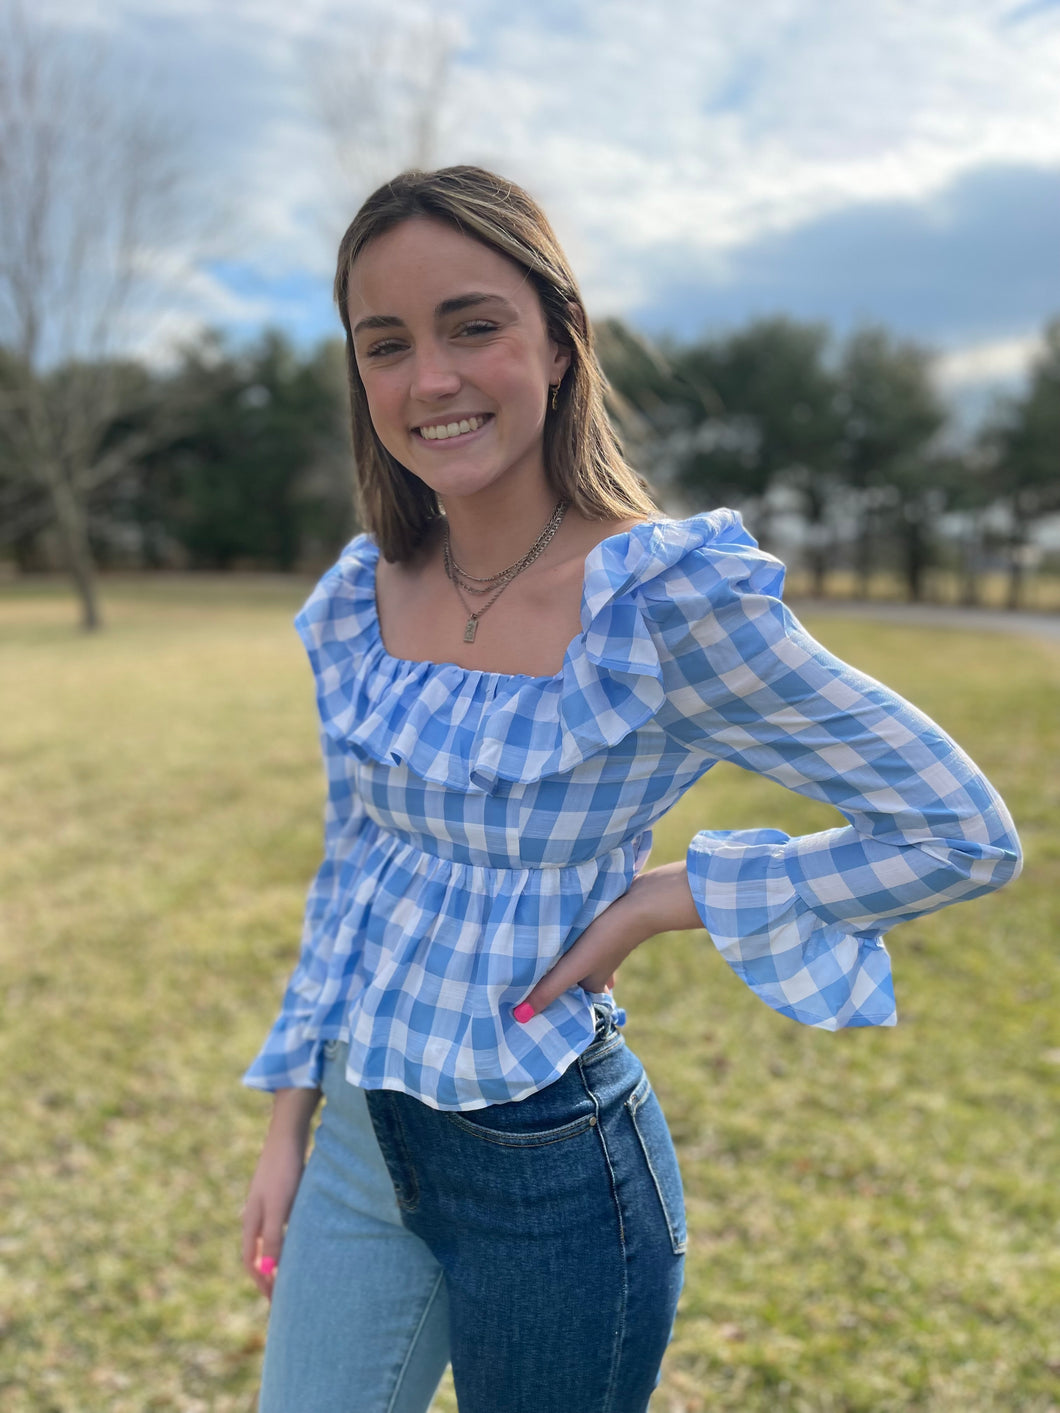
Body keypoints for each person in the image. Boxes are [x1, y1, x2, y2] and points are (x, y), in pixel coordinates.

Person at [240, 166, 1022, 1413]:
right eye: (384, 344)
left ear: (558, 342)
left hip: (551, 1174)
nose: (428, 378)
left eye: (472, 325)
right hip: (354, 1141)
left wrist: (668, 896)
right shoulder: (361, 595)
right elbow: (355, 867)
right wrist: (290, 1116)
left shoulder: (663, 605)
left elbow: (958, 833)